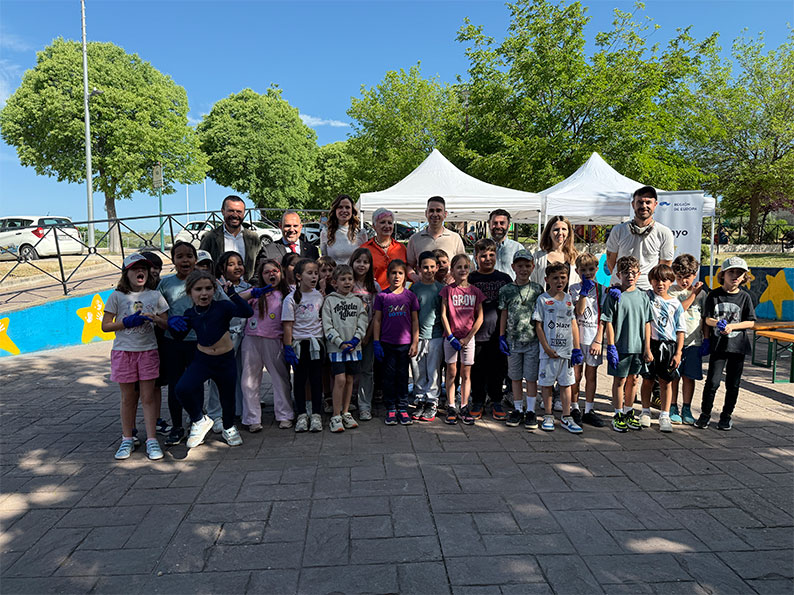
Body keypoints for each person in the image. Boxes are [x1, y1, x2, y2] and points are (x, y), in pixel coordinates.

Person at [167, 270, 254, 449]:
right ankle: (199, 420)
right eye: (198, 289)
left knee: (227, 398)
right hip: (203, 359)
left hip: (225, 360)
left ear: (214, 290)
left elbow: (247, 312)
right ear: (190, 292)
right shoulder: (190, 313)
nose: (204, 293)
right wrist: (173, 324)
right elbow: (179, 336)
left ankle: (229, 427)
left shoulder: (223, 306)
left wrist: (233, 295)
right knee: (182, 388)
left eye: (208, 288)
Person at [102, 254, 169, 461]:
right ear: (126, 273)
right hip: (124, 352)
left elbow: (166, 323)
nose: (139, 272)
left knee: (148, 397)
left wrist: (156, 319)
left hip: (148, 351)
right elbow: (105, 326)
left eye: (143, 268)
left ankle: (151, 440)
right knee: (128, 398)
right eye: (134, 269)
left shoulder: (155, 295)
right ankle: (127, 438)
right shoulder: (116, 296)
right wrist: (125, 323)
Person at [695, 257, 756, 431]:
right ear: (723, 275)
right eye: (731, 272)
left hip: (737, 347)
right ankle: (705, 414)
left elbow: (751, 322)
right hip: (718, 346)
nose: (735, 276)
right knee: (712, 382)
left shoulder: (745, 297)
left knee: (733, 384)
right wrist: (716, 324)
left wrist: (732, 326)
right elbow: (707, 319)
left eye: (739, 273)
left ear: (744, 276)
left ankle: (726, 416)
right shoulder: (714, 295)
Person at [240, 259, 294, 431]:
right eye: (266, 272)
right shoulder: (255, 293)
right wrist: (253, 293)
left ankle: (285, 414)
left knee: (280, 378)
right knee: (249, 379)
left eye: (275, 271)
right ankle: (252, 418)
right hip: (252, 338)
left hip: (275, 339)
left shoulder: (289, 292)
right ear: (260, 276)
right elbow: (234, 300)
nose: (271, 274)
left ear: (281, 273)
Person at [601, 256, 653, 433]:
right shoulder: (614, 296)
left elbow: (647, 322)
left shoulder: (643, 297)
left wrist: (647, 347)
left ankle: (629, 411)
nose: (630, 276)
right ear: (618, 274)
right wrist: (611, 345)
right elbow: (608, 321)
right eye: (625, 273)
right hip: (621, 346)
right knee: (620, 380)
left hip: (638, 347)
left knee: (634, 380)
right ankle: (617, 414)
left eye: (633, 272)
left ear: (639, 274)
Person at [532, 262, 584, 433]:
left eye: (563, 277)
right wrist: (546, 347)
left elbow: (573, 324)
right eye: (555, 278)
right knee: (546, 384)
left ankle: (566, 416)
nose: (559, 281)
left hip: (566, 353)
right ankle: (548, 414)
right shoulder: (543, 299)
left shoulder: (569, 299)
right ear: (547, 280)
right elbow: (538, 326)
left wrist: (576, 348)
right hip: (549, 353)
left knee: (566, 384)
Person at [157, 241, 200, 446]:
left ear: (196, 259)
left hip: (198, 342)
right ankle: (177, 426)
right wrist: (168, 323)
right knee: (175, 385)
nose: (185, 260)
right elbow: (158, 310)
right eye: (180, 256)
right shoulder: (165, 284)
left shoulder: (204, 280)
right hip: (172, 342)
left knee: (196, 384)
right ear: (173, 260)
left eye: (189, 256)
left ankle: (196, 423)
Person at [499, 250, 545, 429]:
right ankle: (518, 408)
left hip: (532, 340)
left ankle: (531, 410)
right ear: (513, 267)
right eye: (520, 266)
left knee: (531, 378)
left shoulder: (537, 289)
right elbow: (504, 313)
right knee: (515, 377)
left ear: (533, 267)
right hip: (513, 340)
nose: (523, 269)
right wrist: (501, 336)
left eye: (527, 266)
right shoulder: (507, 290)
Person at [206, 251, 251, 431]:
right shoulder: (217, 287)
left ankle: (238, 410)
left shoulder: (248, 286)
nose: (237, 267)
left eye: (239, 263)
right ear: (222, 268)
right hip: (223, 337)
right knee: (218, 377)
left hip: (245, 335)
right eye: (231, 264)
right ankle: (214, 414)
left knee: (241, 373)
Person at [372, 259, 420, 426]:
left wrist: (415, 342)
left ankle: (402, 407)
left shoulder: (410, 296)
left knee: (402, 376)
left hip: (405, 344)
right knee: (388, 377)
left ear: (405, 276)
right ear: (387, 275)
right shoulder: (382, 297)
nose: (397, 276)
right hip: (387, 343)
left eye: (400, 273)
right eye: (393, 273)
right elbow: (377, 320)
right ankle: (390, 407)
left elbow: (415, 321)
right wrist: (376, 342)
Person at [469, 238, 512, 420]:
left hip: (498, 334)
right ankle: (478, 400)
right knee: (477, 370)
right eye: (483, 256)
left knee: (498, 370)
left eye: (491, 255)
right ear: (476, 257)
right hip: (476, 335)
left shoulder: (504, 278)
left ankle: (496, 400)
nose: (487, 259)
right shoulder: (471, 278)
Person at [639, 264, 686, 433]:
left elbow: (681, 330)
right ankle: (645, 412)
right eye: (656, 280)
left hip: (669, 346)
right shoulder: (647, 298)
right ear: (651, 281)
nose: (660, 284)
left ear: (671, 282)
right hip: (651, 344)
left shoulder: (676, 304)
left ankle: (665, 415)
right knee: (648, 379)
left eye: (665, 280)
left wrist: (678, 352)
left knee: (666, 381)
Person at [322, 265, 368, 433]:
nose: (347, 282)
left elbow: (362, 321)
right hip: (337, 349)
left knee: (350, 380)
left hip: (354, 348)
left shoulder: (357, 301)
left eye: (350, 279)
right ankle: (335, 415)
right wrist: (340, 342)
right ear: (335, 282)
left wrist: (356, 339)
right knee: (339, 380)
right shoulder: (330, 301)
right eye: (343, 279)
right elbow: (327, 325)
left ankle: (346, 412)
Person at [440, 254, 485, 425]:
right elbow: (443, 314)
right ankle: (451, 405)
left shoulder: (475, 291)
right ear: (452, 270)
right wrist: (450, 335)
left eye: (466, 267)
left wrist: (468, 337)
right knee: (451, 372)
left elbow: (480, 317)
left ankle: (465, 405)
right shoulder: (447, 290)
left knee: (466, 373)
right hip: (451, 338)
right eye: (458, 267)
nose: (462, 270)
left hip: (468, 339)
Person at [282, 258, 325, 433]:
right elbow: (287, 325)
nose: (314, 276)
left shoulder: (319, 296)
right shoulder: (290, 299)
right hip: (299, 345)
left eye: (316, 273)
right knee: (300, 380)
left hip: (316, 344)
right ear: (299, 276)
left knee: (316, 380)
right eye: (310, 273)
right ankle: (301, 414)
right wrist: (288, 347)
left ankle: (316, 414)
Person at [606, 186, 674, 291]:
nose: (644, 206)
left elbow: (664, 265)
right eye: (640, 202)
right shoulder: (618, 230)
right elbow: (611, 261)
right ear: (633, 204)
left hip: (647, 289)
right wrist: (623, 279)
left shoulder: (664, 232)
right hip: (620, 287)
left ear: (655, 205)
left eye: (648, 202)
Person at [669, 253, 708, 425]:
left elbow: (706, 318)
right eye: (679, 277)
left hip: (694, 342)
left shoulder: (702, 294)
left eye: (687, 277)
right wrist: (692, 294)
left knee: (689, 377)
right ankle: (671, 406)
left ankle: (686, 407)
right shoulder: (671, 291)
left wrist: (706, 339)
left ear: (694, 274)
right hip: (674, 342)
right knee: (674, 376)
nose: (684, 281)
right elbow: (679, 311)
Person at [569, 253, 606, 427]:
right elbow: (579, 312)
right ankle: (574, 407)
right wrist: (583, 293)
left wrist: (599, 339)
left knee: (591, 375)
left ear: (597, 270)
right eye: (583, 270)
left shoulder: (601, 289)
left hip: (593, 339)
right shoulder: (574, 289)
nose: (588, 272)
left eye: (591, 269)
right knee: (576, 375)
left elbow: (605, 318)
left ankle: (589, 409)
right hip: (578, 339)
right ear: (577, 271)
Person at [409, 251, 445, 422]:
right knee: (418, 369)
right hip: (417, 337)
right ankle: (420, 398)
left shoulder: (441, 289)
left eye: (432, 267)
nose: (429, 270)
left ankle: (432, 400)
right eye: (425, 267)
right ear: (418, 268)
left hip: (436, 335)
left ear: (437, 268)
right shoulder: (414, 289)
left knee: (434, 370)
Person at [140, 251, 171, 436]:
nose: (154, 271)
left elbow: (165, 318)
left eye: (157, 268)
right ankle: (132, 428)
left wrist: (158, 320)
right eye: (150, 267)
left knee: (156, 384)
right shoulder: (125, 294)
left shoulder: (160, 291)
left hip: (157, 342)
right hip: (134, 346)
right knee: (134, 389)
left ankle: (157, 419)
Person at [349, 247, 381, 421]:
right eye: (358, 261)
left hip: (367, 336)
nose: (361, 265)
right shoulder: (347, 282)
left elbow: (376, 314)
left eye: (366, 262)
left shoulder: (374, 286)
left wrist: (369, 336)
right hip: (347, 337)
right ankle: (347, 404)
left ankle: (365, 405)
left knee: (367, 370)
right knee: (349, 371)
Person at [199, 195, 260, 281]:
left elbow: (259, 265)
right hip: (219, 290)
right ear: (223, 211)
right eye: (231, 211)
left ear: (244, 213)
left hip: (247, 290)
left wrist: (253, 285)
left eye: (239, 212)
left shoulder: (253, 238)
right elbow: (202, 266)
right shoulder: (210, 237)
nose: (235, 215)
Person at [406, 196, 465, 274]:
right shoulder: (414, 239)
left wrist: (452, 277)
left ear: (445, 214)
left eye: (438, 210)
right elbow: (409, 265)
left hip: (449, 285)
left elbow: (463, 263)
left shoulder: (455, 238)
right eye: (431, 210)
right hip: (424, 285)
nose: (434, 214)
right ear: (426, 213)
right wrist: (414, 277)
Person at [362, 208, 407, 289]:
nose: (387, 226)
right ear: (374, 226)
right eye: (382, 222)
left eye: (390, 223)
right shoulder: (365, 249)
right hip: (374, 296)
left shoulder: (401, 248)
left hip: (397, 296)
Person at [531, 215, 580, 288]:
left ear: (569, 233)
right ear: (549, 233)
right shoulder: (537, 257)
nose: (560, 232)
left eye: (564, 229)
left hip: (569, 299)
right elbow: (533, 282)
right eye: (556, 229)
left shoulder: (575, 257)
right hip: (543, 298)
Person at [320, 194, 368, 265]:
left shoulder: (361, 233)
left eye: (347, 207)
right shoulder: (326, 233)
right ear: (335, 210)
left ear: (352, 211)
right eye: (340, 207)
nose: (344, 210)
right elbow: (325, 261)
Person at [488, 209, 524, 278]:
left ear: (509, 225)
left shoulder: (518, 248)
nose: (498, 226)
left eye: (502, 223)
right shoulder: (481, 247)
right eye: (495, 223)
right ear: (490, 225)